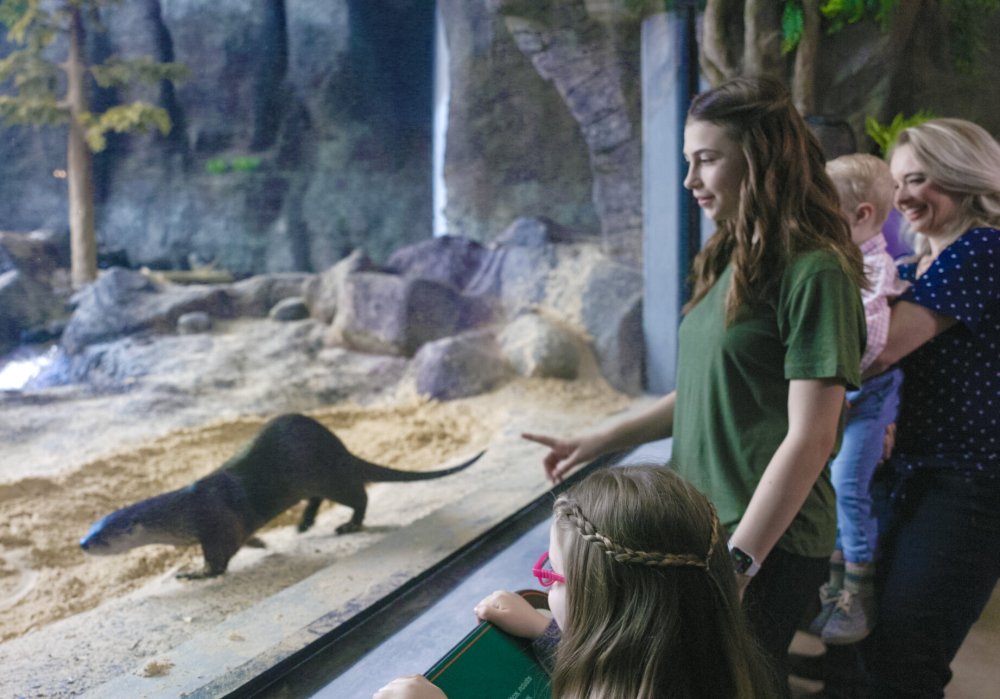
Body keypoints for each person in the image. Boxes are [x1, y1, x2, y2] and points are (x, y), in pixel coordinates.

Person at [522, 76, 867, 692]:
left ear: (761, 158)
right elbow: (712, 389)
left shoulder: (817, 271)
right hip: (699, 533)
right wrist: (597, 440)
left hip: (767, 538)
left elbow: (812, 437)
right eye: (688, 161)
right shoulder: (732, 258)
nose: (691, 181)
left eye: (707, 159)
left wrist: (740, 562)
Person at [372, 465, 775, 699]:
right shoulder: (714, 665)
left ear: (610, 605)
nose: (547, 589)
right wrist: (545, 631)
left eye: (555, 576)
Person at [859, 118, 1000, 697]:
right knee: (882, 649)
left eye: (919, 179)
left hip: (965, 482)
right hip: (914, 473)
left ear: (962, 176)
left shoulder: (983, 247)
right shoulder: (918, 266)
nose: (903, 197)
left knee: (908, 655)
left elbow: (881, 348)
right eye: (896, 183)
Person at [807, 154, 904, 645]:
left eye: (827, 212)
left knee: (848, 487)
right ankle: (835, 588)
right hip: (846, 400)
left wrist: (828, 380)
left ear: (862, 215)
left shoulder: (874, 266)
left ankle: (858, 593)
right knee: (836, 487)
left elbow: (871, 343)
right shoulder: (846, 259)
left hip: (864, 403)